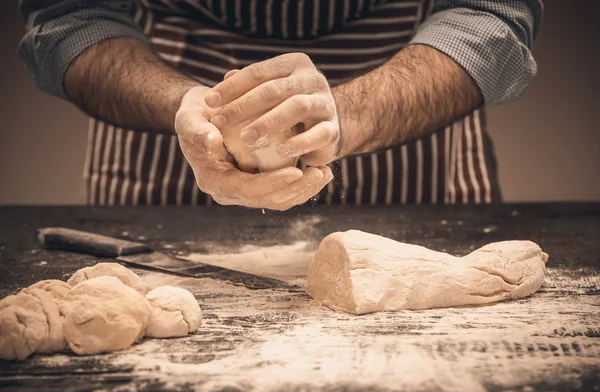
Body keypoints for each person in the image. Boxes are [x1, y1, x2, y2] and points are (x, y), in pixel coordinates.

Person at [19, 0, 542, 210]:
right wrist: (184, 104)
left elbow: (489, 15)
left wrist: (349, 113)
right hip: (166, 92)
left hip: (403, 87)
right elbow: (71, 14)